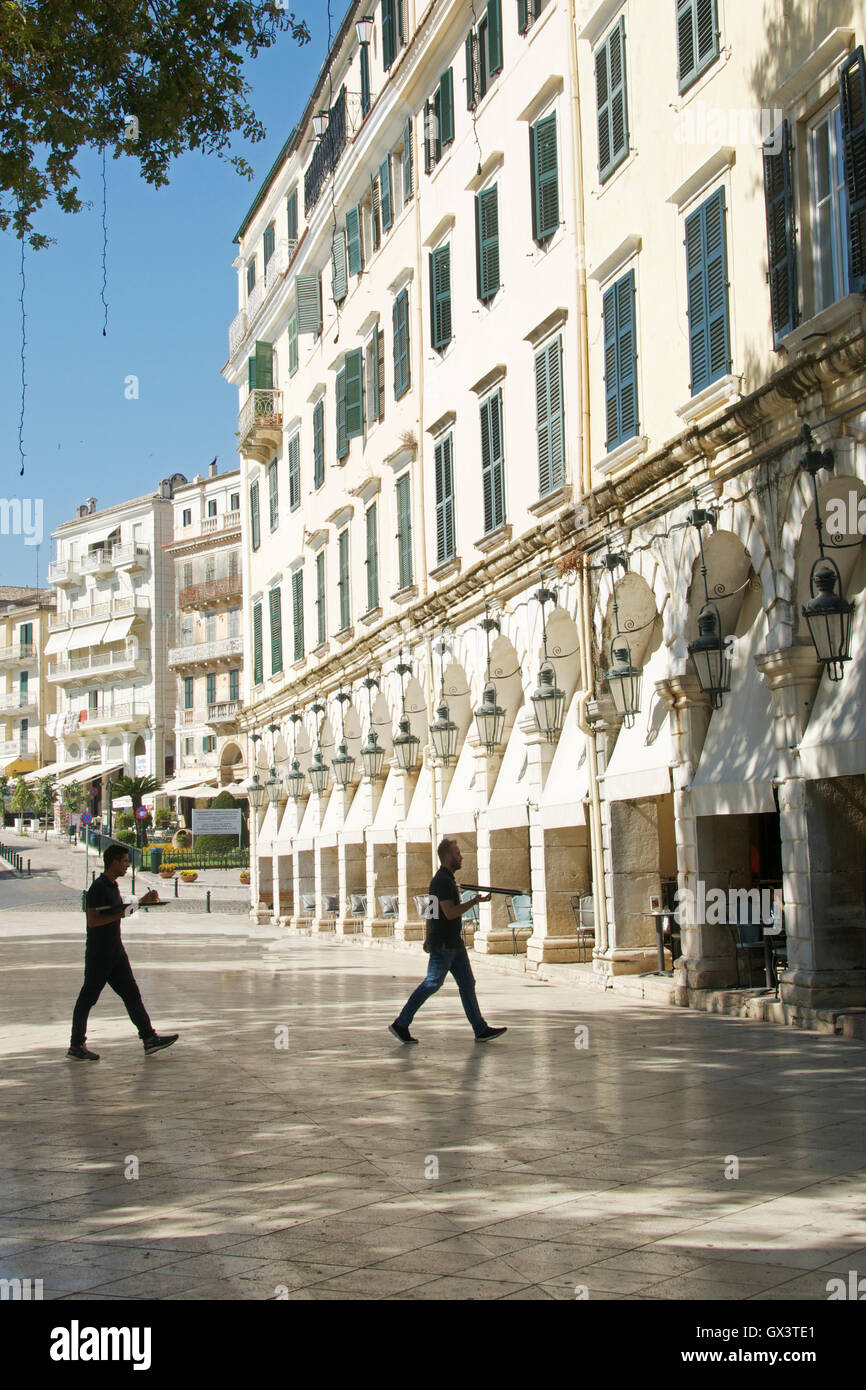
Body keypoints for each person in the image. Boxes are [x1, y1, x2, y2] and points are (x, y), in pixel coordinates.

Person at [67, 843, 179, 1061]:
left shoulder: (112, 886)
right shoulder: (99, 888)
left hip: (115, 952)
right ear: (115, 862)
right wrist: (126, 912)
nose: (128, 865)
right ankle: (76, 1045)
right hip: (100, 954)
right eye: (125, 861)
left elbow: (118, 910)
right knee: (87, 999)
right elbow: (94, 920)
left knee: (132, 995)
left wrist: (141, 903)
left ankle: (149, 1039)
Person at [390, 838, 507, 1044]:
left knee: (467, 983)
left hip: (453, 943)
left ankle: (480, 1029)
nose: (461, 856)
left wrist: (427, 937)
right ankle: (401, 1023)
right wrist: (475, 901)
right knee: (433, 983)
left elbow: (430, 912)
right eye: (457, 853)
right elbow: (449, 912)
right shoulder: (443, 881)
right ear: (447, 856)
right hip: (444, 944)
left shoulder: (442, 879)